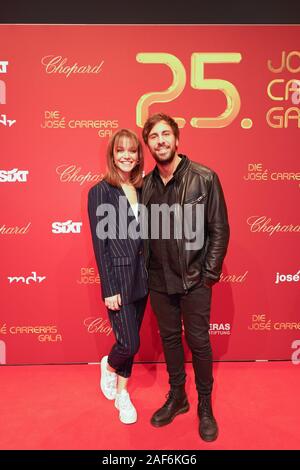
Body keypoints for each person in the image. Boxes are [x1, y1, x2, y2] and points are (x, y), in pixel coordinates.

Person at [141, 113, 230, 441]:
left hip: (194, 279)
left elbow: (219, 227)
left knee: (199, 341)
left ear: (176, 139)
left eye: (166, 134)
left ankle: (205, 405)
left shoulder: (204, 177)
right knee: (169, 340)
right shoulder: (146, 184)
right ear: (148, 143)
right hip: (158, 280)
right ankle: (178, 397)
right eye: (153, 136)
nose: (160, 141)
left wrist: (208, 273)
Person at [88, 129, 148, 424]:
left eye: (132, 150)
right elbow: (101, 247)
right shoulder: (100, 191)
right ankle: (110, 367)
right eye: (121, 150)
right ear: (112, 155)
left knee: (132, 338)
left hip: (144, 278)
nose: (127, 156)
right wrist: (108, 288)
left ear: (139, 156)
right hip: (119, 280)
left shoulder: (144, 187)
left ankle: (123, 395)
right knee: (129, 344)